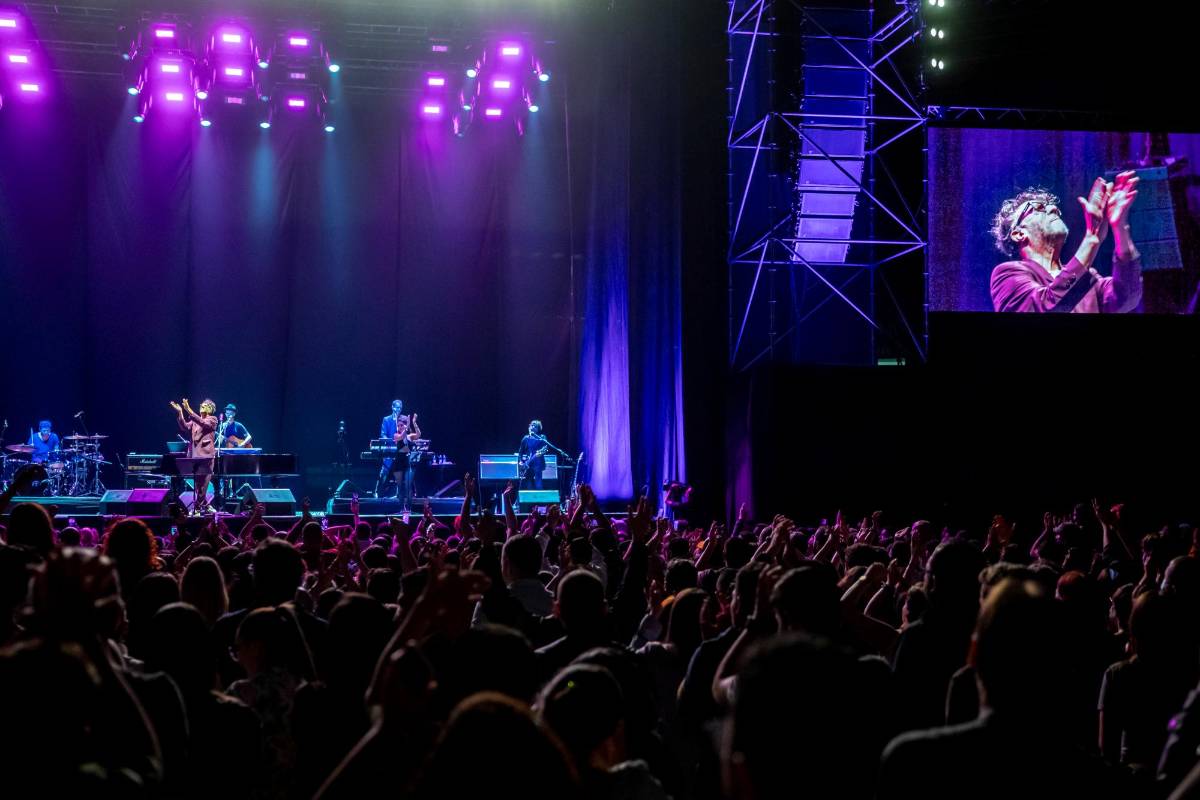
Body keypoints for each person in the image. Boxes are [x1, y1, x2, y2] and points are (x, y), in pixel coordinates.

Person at [989, 171, 1142, 313]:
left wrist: (1120, 226)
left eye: (1054, 207)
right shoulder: (1007, 274)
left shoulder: (1088, 278)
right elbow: (1042, 306)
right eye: (1039, 208)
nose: (1053, 209)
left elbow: (1128, 297)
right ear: (1019, 233)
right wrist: (1091, 237)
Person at [171, 398, 218, 514]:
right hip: (195, 456)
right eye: (202, 403)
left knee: (204, 484)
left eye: (206, 405)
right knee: (198, 485)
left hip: (207, 456)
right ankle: (206, 506)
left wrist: (189, 410)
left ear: (210, 409)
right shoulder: (195, 420)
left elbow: (203, 423)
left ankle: (197, 508)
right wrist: (181, 412)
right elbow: (185, 427)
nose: (202, 405)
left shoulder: (213, 419)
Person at [378, 400, 420, 508]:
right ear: (392, 407)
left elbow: (412, 434)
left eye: (400, 408)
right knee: (385, 472)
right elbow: (386, 435)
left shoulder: (403, 419)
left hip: (404, 458)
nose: (398, 410)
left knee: (407, 480)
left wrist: (413, 423)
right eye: (396, 408)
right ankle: (379, 493)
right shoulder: (387, 421)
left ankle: (408, 504)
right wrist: (393, 442)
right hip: (390, 451)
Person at [518, 420, 548, 490]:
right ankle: (530, 499)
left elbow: (545, 449)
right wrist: (520, 462)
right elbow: (520, 452)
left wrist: (541, 453)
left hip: (538, 463)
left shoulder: (542, 437)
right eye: (531, 425)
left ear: (538, 429)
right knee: (528, 480)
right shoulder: (525, 438)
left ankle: (540, 499)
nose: (532, 427)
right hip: (528, 463)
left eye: (535, 426)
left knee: (538, 481)